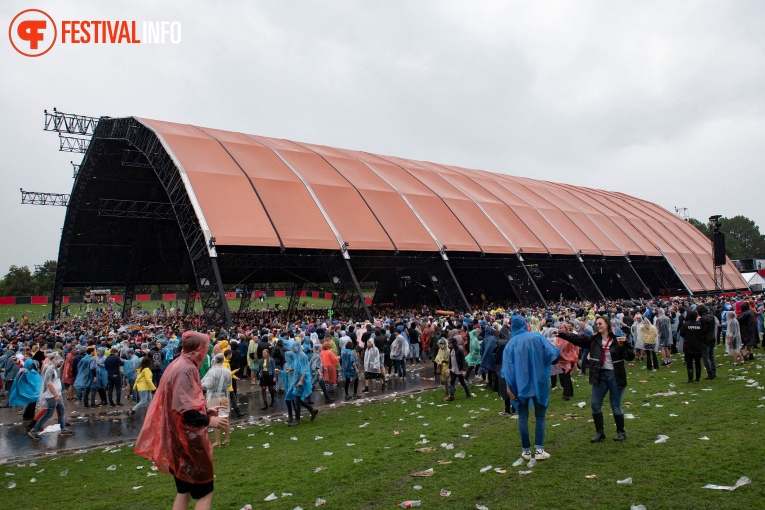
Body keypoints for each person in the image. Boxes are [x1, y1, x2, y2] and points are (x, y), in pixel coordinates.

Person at [135, 331, 228, 510]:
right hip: (188, 443)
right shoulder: (187, 369)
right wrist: (208, 420)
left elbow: (180, 403)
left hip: (175, 441)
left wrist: (204, 409)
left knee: (183, 490)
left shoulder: (176, 364)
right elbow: (185, 412)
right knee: (205, 492)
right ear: (199, 349)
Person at [556, 315, 635, 442]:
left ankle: (621, 432)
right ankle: (600, 433)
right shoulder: (593, 340)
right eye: (597, 324)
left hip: (615, 375)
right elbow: (577, 339)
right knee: (595, 404)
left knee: (615, 405)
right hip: (600, 375)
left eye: (600, 323)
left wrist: (626, 344)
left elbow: (630, 357)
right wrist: (561, 334)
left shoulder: (617, 340)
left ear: (607, 324)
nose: (598, 326)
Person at [501, 315, 560, 461]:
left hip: (519, 386)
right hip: (539, 382)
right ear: (525, 324)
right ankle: (539, 450)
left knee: (523, 417)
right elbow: (553, 356)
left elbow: (507, 370)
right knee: (540, 416)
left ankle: (526, 451)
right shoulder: (537, 337)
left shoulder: (510, 344)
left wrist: (509, 388)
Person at [28, 354, 73, 439]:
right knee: (48, 414)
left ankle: (63, 429)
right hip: (52, 396)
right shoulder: (50, 370)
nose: (61, 363)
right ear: (55, 361)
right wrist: (55, 395)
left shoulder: (56, 370)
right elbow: (49, 383)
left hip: (57, 395)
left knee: (61, 411)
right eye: (60, 362)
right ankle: (34, 430)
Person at [201, 354, 232, 446]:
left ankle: (217, 441)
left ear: (215, 361)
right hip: (224, 395)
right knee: (225, 417)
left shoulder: (212, 372)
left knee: (215, 418)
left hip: (213, 396)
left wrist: (205, 383)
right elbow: (229, 383)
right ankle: (227, 439)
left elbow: (209, 385)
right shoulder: (227, 371)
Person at [445, 336, 471, 402]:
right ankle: (452, 396)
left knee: (463, 383)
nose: (449, 345)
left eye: (450, 343)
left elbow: (463, 360)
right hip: (453, 370)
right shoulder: (451, 350)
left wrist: (464, 370)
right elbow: (451, 360)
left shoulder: (459, 350)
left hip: (459, 370)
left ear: (453, 343)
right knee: (451, 383)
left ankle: (468, 394)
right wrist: (449, 368)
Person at [679, 310, 703, 383]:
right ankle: (698, 378)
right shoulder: (700, 324)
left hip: (688, 346)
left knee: (689, 363)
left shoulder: (685, 324)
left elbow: (681, 334)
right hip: (698, 346)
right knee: (698, 362)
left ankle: (690, 379)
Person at [698, 304, 717, 379]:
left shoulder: (703, 318)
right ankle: (713, 372)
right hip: (712, 337)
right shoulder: (712, 317)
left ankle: (710, 373)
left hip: (705, 339)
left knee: (705, 356)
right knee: (711, 356)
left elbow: (703, 330)